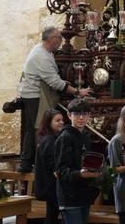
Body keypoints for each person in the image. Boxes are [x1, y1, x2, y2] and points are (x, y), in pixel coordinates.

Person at [18, 26, 91, 172]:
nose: (61, 41)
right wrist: (78, 92)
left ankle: (26, 164)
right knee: (39, 128)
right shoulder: (41, 56)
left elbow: (53, 77)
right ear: (52, 39)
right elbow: (55, 82)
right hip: (35, 96)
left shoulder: (45, 51)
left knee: (32, 130)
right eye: (59, 38)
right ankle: (36, 165)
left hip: (34, 94)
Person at [34, 109, 66, 224]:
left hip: (50, 186)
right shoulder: (50, 140)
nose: (61, 122)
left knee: (52, 215)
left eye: (62, 120)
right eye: (57, 120)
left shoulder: (51, 138)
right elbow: (53, 166)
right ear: (49, 123)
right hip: (51, 186)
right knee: (61, 216)